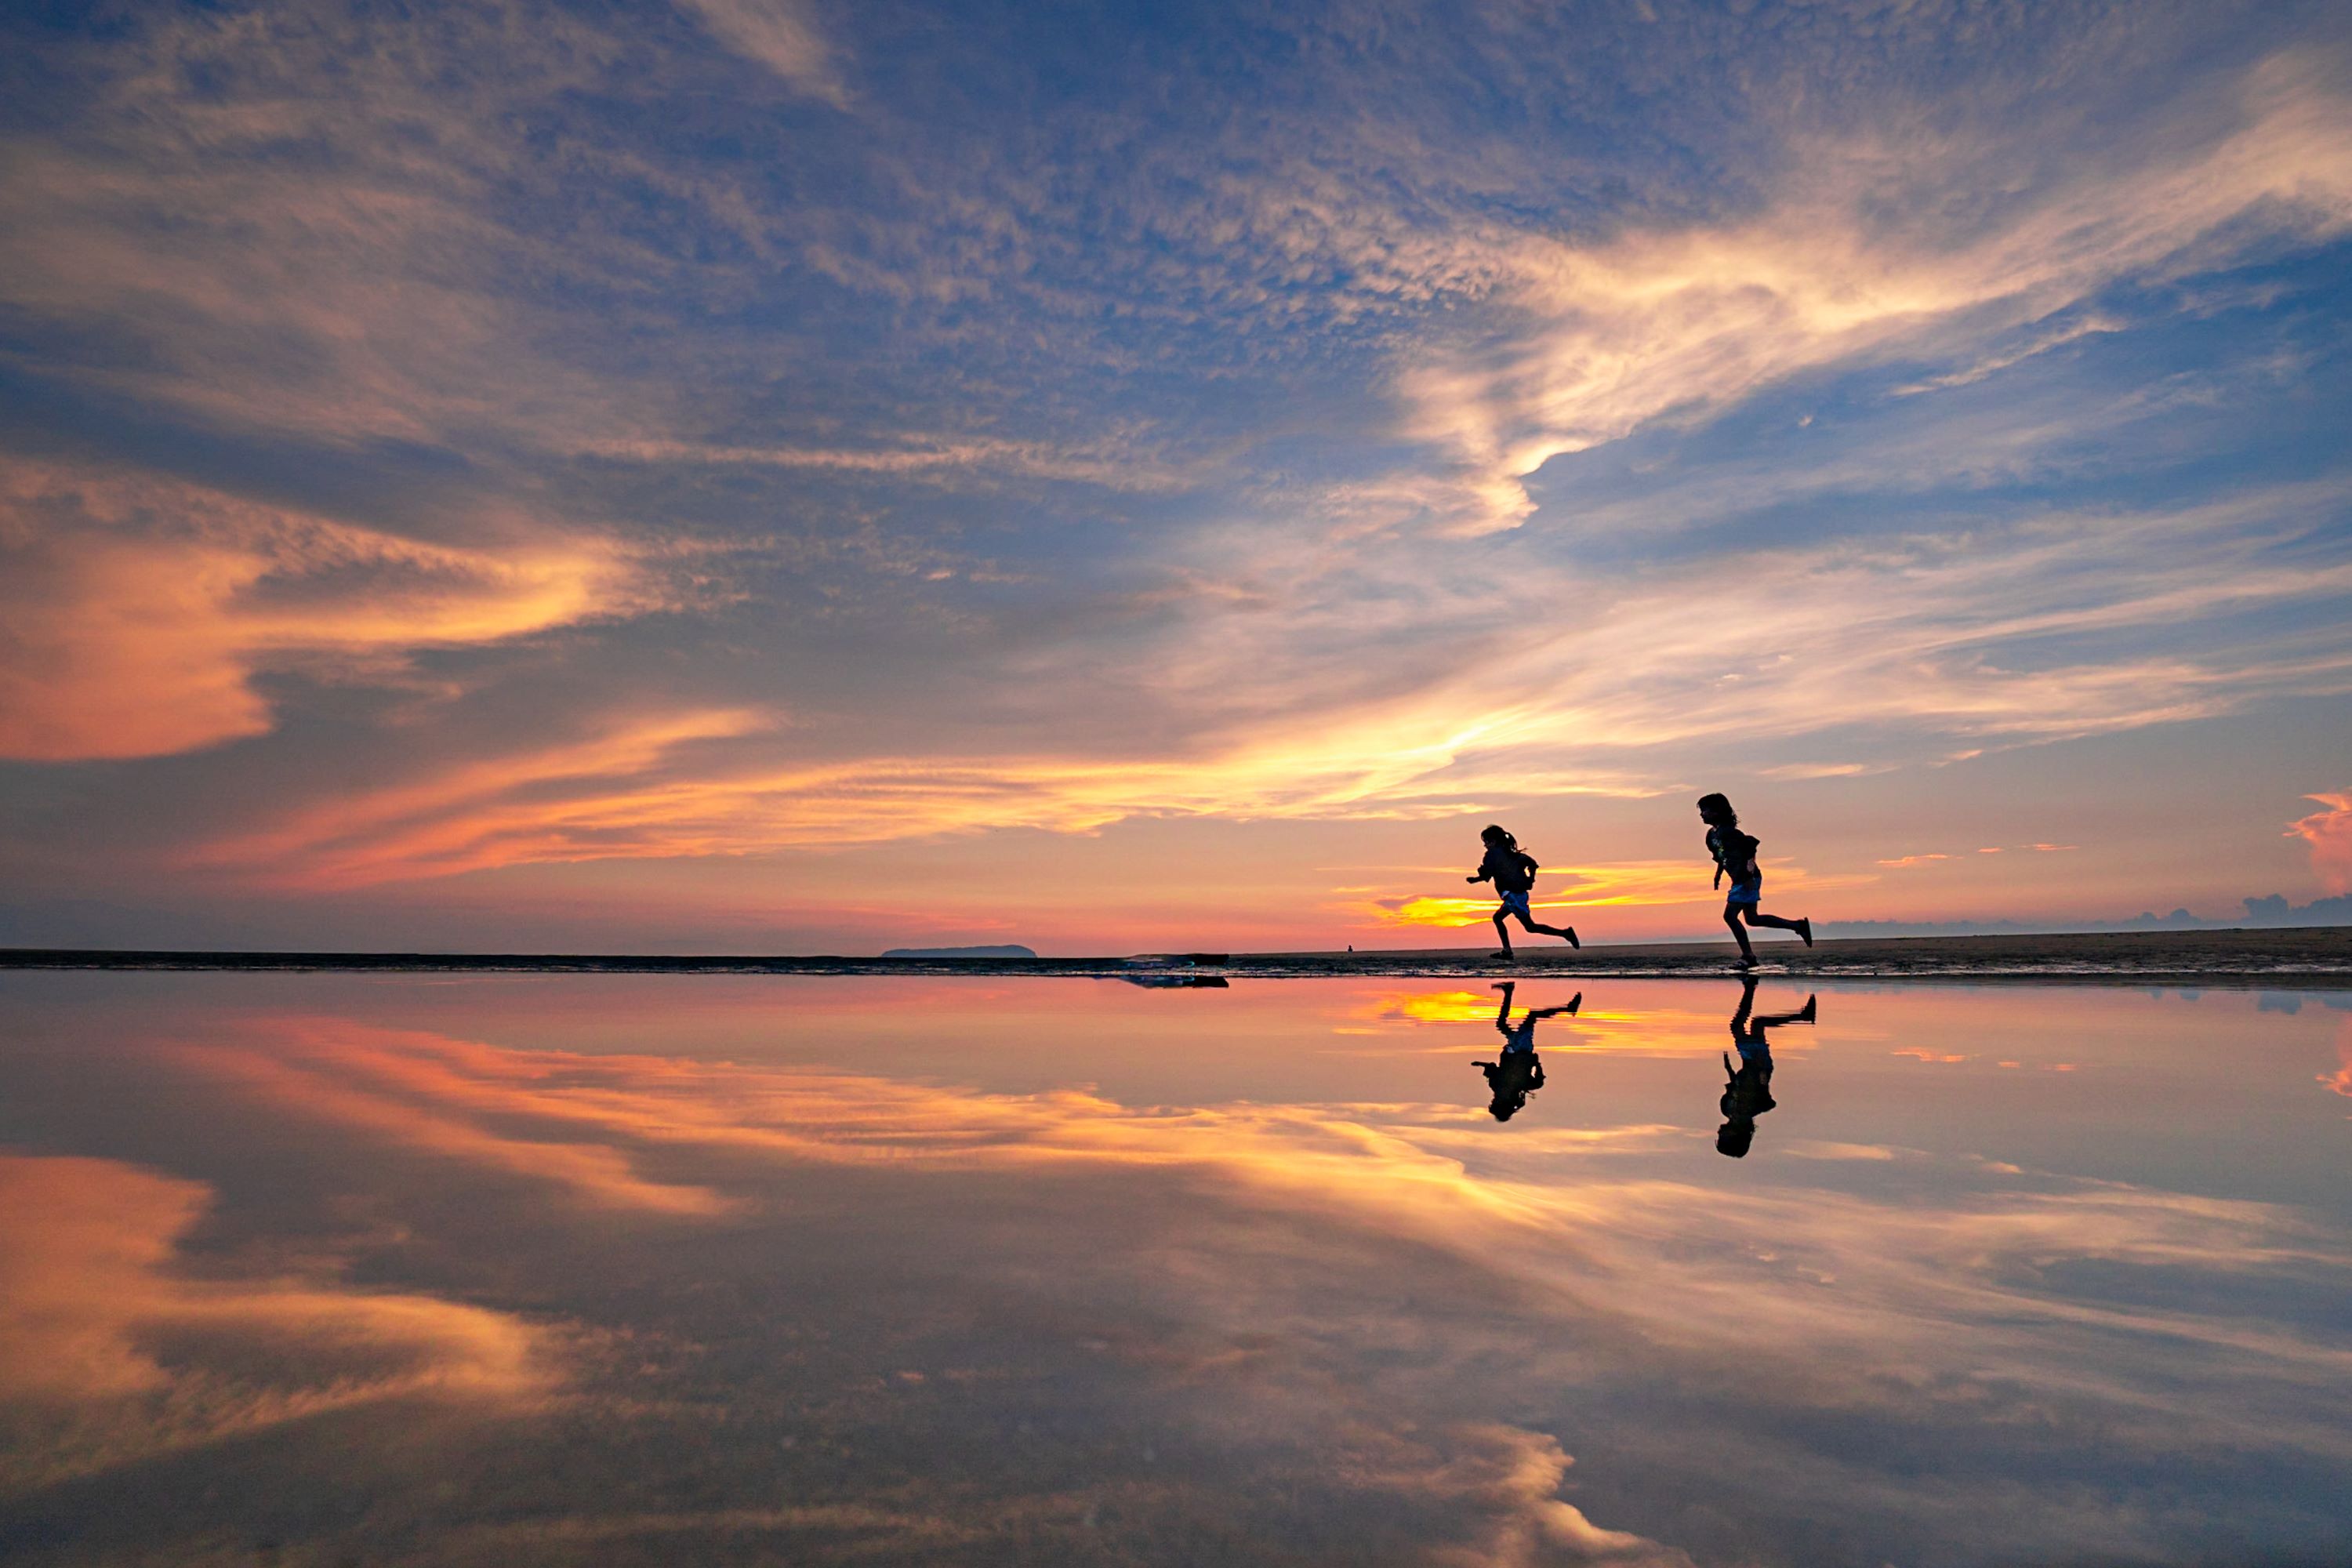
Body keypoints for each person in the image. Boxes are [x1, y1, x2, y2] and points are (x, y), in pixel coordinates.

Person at [1695, 793, 1812, 967]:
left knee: (1729, 916)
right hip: (1739, 880)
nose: (1702, 814)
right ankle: (1798, 926)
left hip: (1747, 878)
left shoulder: (1730, 833)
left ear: (1717, 812)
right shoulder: (1711, 836)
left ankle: (1748, 956)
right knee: (1752, 919)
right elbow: (1721, 857)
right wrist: (1718, 875)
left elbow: (1750, 849)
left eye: (1705, 810)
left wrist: (1749, 876)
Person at [1715, 976, 1816, 1157]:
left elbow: (1734, 1086)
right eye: (1722, 1137)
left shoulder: (1727, 1109)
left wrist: (1728, 1068)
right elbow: (1767, 1099)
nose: (1719, 1133)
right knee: (1756, 1024)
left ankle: (1751, 988)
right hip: (1759, 1066)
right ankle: (1752, 988)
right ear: (1736, 1135)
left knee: (1745, 1025)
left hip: (1748, 1062)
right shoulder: (1749, 1110)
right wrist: (1761, 1074)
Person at [1466, 823, 1579, 960]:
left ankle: (1565, 933)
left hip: (1512, 896)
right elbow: (1531, 863)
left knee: (1530, 927)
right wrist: (1531, 879)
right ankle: (1507, 950)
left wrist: (1475, 879)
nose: (1486, 845)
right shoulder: (1513, 856)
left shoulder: (1492, 856)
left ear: (1495, 841)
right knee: (1499, 919)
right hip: (1516, 895)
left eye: (1487, 842)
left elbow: (1487, 875)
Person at [1473, 980, 1580, 1121]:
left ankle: (1509, 991)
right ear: (1503, 1104)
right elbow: (1538, 1082)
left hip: (1515, 1049)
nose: (1493, 1101)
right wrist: (1537, 1064)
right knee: (1531, 1017)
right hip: (1521, 1050)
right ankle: (1568, 1009)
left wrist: (1480, 1064)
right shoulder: (1509, 1088)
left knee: (1502, 1024)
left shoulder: (1501, 1087)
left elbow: (1492, 1068)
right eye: (1495, 1103)